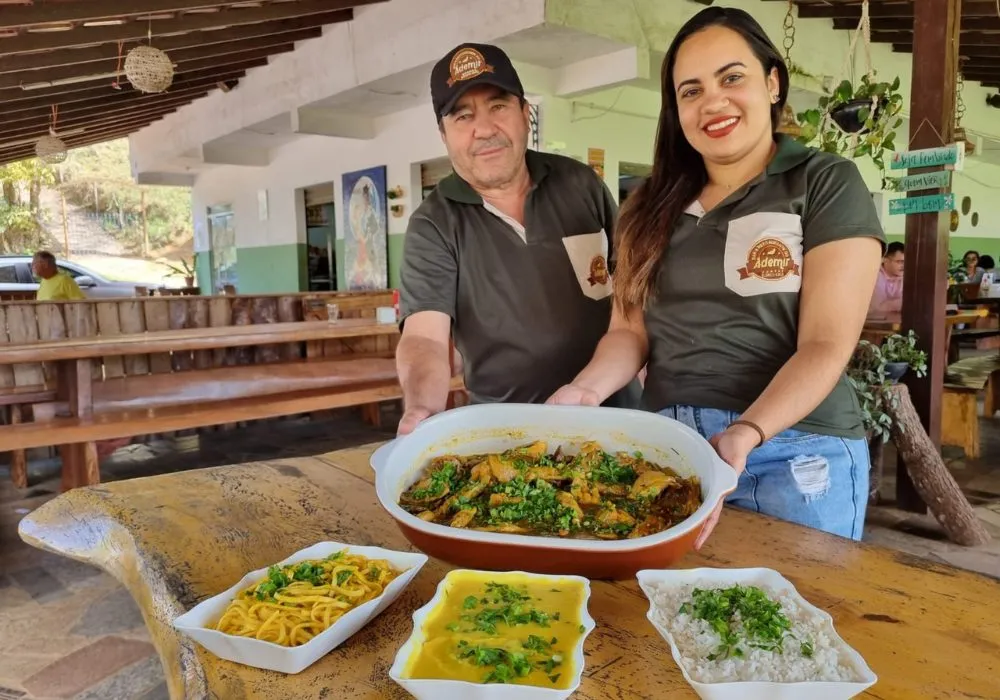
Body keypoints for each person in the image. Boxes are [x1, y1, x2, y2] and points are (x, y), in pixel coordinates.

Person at [548, 7, 884, 546]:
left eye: (732, 78)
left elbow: (826, 344)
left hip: (795, 451)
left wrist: (745, 433)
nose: (713, 101)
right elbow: (628, 333)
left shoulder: (824, 182)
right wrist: (584, 392)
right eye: (691, 90)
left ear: (772, 83)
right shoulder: (646, 208)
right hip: (671, 451)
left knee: (793, 621)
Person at [396, 42, 640, 435]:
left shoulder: (580, 183)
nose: (485, 129)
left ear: (526, 114)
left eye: (498, 107)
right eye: (463, 116)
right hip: (508, 434)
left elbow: (630, 293)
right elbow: (424, 337)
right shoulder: (434, 223)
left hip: (618, 413)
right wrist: (422, 407)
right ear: (444, 135)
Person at [868, 241, 904, 320]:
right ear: (885, 260)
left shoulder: (906, 277)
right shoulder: (875, 276)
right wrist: (898, 304)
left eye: (906, 262)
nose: (903, 266)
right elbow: (876, 309)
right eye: (899, 262)